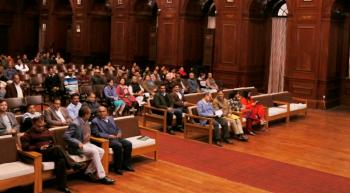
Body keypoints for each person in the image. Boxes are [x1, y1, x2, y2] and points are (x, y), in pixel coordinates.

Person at [21, 116, 81, 193]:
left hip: (50, 151)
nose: (41, 127)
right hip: (39, 154)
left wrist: (49, 145)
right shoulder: (28, 134)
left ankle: (63, 186)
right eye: (39, 125)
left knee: (61, 160)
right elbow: (25, 147)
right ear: (33, 124)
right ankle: (73, 164)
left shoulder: (46, 130)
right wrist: (39, 147)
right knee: (58, 148)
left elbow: (52, 142)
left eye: (42, 125)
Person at [63, 106, 115, 185]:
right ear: (85, 114)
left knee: (101, 151)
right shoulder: (75, 123)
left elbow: (86, 134)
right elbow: (65, 136)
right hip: (77, 146)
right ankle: (102, 176)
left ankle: (88, 172)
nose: (91, 115)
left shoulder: (86, 121)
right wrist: (77, 142)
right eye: (90, 113)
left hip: (86, 144)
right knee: (94, 152)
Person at [91, 106, 134, 175]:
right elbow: (96, 133)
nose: (102, 113)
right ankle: (117, 168)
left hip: (116, 137)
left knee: (128, 144)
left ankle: (126, 165)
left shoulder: (110, 118)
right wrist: (108, 136)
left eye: (103, 111)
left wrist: (119, 132)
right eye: (100, 112)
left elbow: (117, 128)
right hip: (107, 139)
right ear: (98, 113)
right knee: (118, 145)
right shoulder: (95, 121)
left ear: (106, 112)